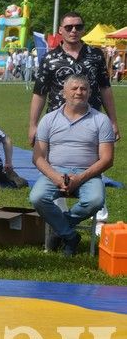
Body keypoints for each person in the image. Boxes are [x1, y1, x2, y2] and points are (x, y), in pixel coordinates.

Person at [30, 74, 114, 256]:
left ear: (90, 93)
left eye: (84, 89)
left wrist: (80, 178)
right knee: (37, 197)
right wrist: (55, 177)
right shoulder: (49, 119)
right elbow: (38, 156)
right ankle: (70, 235)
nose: (79, 92)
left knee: (95, 201)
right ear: (63, 93)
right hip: (55, 171)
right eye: (74, 88)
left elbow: (107, 159)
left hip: (88, 174)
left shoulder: (101, 120)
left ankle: (60, 228)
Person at [29, 11, 119, 144]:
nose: (73, 30)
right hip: (58, 122)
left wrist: (113, 121)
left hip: (91, 121)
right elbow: (39, 93)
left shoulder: (96, 55)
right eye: (68, 27)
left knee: (92, 161)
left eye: (78, 27)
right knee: (56, 161)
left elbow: (105, 88)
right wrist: (33, 125)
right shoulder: (49, 59)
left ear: (83, 30)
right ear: (60, 30)